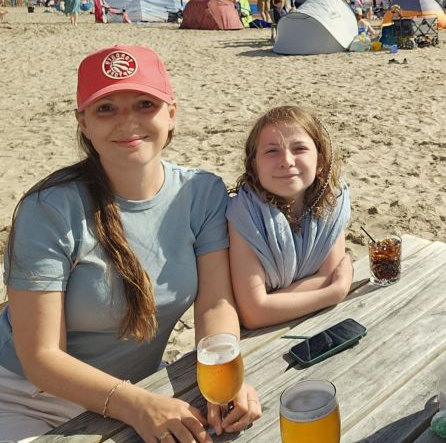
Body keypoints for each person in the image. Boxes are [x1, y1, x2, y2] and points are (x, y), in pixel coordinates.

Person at [0, 45, 261, 440]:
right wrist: (136, 405)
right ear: (83, 122)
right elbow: (39, 357)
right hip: (25, 396)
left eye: (144, 104)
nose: (128, 122)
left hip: (133, 392)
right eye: (106, 108)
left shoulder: (200, 193)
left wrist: (224, 369)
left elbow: (215, 303)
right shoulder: (49, 210)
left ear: (171, 114)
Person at [227, 106, 353, 329]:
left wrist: (273, 301)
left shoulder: (332, 202)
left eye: (299, 148)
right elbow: (254, 313)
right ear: (254, 165)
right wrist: (334, 293)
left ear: (321, 161)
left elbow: (329, 274)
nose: (286, 161)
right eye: (272, 151)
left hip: (317, 324)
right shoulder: (243, 216)